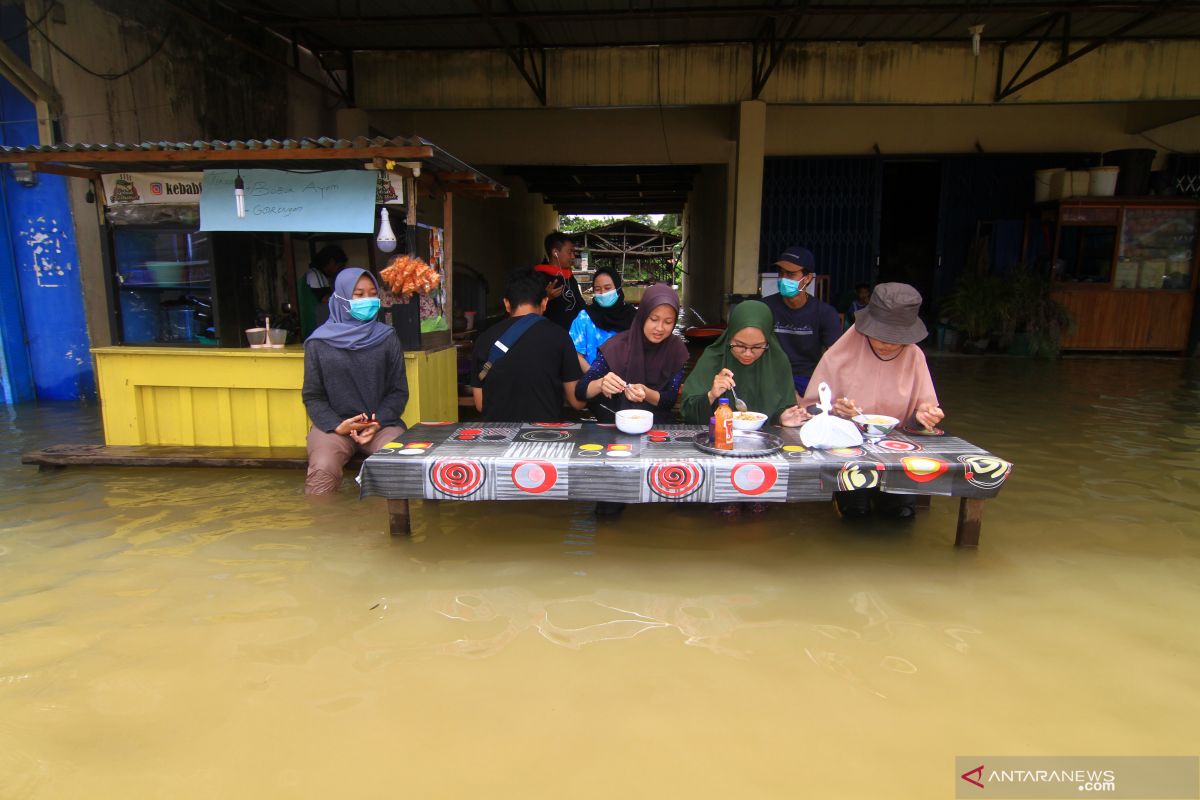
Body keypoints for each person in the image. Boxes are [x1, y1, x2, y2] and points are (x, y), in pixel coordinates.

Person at [801, 282, 945, 521]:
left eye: (896, 338)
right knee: (855, 512)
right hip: (846, 448)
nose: (888, 344)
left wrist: (923, 416)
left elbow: (926, 410)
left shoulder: (914, 357)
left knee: (901, 514)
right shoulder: (840, 353)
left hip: (897, 450)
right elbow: (809, 409)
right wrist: (834, 411)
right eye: (881, 336)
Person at [301, 268, 408, 496]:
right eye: (358, 295)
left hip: (381, 426)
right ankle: (326, 527)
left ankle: (389, 527)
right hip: (334, 428)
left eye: (372, 293)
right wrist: (337, 425)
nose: (367, 300)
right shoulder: (318, 343)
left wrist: (376, 422)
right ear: (341, 298)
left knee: (393, 462)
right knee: (322, 468)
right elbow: (313, 395)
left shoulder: (387, 337)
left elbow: (398, 391)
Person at [471, 271, 586, 422]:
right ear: (545, 302)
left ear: (506, 304)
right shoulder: (560, 337)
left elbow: (480, 404)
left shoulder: (483, 340)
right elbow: (577, 402)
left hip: (497, 438)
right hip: (543, 437)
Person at [680, 300, 810, 427]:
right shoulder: (714, 358)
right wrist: (711, 395)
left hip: (765, 442)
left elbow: (784, 408)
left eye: (757, 347)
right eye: (740, 345)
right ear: (729, 336)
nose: (747, 353)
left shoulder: (777, 361)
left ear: (768, 341)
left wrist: (783, 418)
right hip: (719, 438)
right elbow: (688, 414)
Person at [576, 283, 689, 424]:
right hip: (615, 425)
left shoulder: (676, 349)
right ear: (642, 315)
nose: (660, 328)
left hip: (657, 429)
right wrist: (601, 383)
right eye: (654, 319)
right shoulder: (616, 346)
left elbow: (670, 399)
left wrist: (646, 393)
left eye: (668, 322)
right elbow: (580, 390)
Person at [763, 246, 842, 398]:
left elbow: (835, 357)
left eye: (791, 274)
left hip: (809, 379)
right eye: (781, 273)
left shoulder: (825, 313)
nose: (783, 278)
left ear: (807, 278)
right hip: (771, 377)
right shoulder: (765, 308)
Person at [569, 266, 637, 371]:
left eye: (607, 288)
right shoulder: (584, 318)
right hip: (592, 382)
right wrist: (594, 377)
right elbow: (576, 355)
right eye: (597, 289)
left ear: (618, 288)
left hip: (629, 383)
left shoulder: (632, 316)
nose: (603, 293)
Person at [534, 231, 583, 330]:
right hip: (550, 335)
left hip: (573, 335)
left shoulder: (569, 276)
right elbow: (528, 312)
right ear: (555, 252)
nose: (573, 256)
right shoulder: (537, 277)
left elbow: (580, 305)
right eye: (570, 252)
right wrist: (546, 298)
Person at [301, 245, 349, 334]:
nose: (340, 270)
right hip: (316, 326)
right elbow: (326, 299)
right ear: (331, 262)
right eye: (340, 266)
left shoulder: (314, 274)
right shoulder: (316, 275)